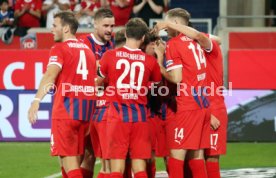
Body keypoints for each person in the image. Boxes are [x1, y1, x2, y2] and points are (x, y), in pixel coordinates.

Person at [155, 15, 227, 178]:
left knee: (202, 158)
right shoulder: (195, 45)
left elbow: (213, 38)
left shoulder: (204, 44)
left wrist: (160, 61)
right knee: (196, 156)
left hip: (203, 104)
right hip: (202, 104)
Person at [28, 11, 97, 178]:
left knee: (70, 163)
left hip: (66, 111)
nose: (51, 29)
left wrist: (36, 100)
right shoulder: (88, 51)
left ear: (66, 28)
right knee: (69, 161)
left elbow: (50, 75)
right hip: (85, 112)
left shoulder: (59, 48)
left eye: (54, 25)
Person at [97, 17, 162, 178]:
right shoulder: (150, 61)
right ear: (143, 38)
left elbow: (97, 82)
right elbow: (156, 85)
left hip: (117, 117)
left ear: (125, 34)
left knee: (117, 168)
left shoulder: (110, 56)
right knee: (139, 167)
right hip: (140, 118)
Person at [78, 7, 115, 178]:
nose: (109, 30)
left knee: (99, 155)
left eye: (112, 26)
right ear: (95, 24)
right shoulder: (83, 44)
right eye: (106, 25)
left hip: (106, 108)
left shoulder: (113, 43)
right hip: (87, 106)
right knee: (83, 154)